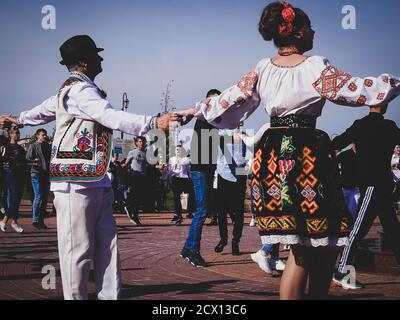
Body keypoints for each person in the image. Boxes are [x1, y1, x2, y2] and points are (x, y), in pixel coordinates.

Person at [177, 1, 400, 299]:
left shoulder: (262, 69)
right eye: (309, 27)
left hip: (273, 159)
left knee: (306, 247)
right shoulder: (315, 66)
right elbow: (358, 89)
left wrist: (193, 110)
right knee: (322, 244)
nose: (314, 32)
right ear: (297, 32)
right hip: (308, 157)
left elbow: (226, 102)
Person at [0, 35, 180, 300]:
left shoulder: (71, 91)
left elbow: (42, 111)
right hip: (77, 181)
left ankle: (109, 295)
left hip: (93, 178)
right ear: (84, 62)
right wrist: (153, 122)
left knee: (104, 243)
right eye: (97, 55)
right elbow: (110, 116)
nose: (101, 59)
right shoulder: (80, 91)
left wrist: (18, 119)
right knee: (80, 248)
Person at [332, 104, 400, 289]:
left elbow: (337, 143)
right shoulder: (390, 126)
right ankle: (340, 271)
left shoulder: (360, 125)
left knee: (389, 231)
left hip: (371, 185)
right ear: (384, 104)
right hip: (380, 185)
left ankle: (341, 270)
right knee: (362, 229)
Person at [179, 89, 220, 267]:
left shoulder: (215, 120)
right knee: (201, 212)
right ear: (207, 100)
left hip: (207, 169)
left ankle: (188, 248)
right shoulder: (203, 114)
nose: (215, 104)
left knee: (203, 210)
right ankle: (193, 251)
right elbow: (195, 110)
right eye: (213, 101)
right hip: (200, 169)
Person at [214, 128, 247, 255]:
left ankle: (236, 242)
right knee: (221, 211)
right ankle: (223, 239)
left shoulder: (243, 134)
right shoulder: (221, 132)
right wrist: (233, 139)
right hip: (224, 173)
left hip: (240, 174)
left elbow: (249, 152)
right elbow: (214, 139)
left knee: (239, 212)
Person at [0, 127, 26, 233]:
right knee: (14, 198)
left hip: (19, 174)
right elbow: (4, 160)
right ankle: (9, 221)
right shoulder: (6, 147)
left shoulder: (21, 148)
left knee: (17, 199)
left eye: (18, 133)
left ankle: (11, 222)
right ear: (10, 135)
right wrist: (12, 162)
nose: (17, 135)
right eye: (15, 133)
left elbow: (23, 161)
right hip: (9, 174)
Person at [26, 128, 51, 229]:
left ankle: (41, 220)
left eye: (45, 135)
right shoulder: (33, 146)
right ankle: (35, 220)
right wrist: (35, 161)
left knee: (45, 197)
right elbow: (27, 159)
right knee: (38, 195)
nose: (44, 136)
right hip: (36, 173)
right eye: (43, 135)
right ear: (37, 135)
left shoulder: (48, 146)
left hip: (45, 174)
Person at [123, 136, 148, 225]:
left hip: (142, 177)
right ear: (136, 143)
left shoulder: (145, 153)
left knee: (139, 197)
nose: (141, 143)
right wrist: (122, 168)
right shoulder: (132, 152)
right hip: (134, 176)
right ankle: (129, 207)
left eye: (143, 142)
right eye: (140, 141)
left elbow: (148, 165)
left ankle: (135, 215)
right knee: (133, 194)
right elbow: (126, 164)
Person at [168, 145, 195, 225]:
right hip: (175, 179)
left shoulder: (185, 159)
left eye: (179, 150)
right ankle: (178, 214)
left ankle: (189, 211)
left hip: (184, 178)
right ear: (174, 151)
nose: (178, 151)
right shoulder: (171, 159)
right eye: (176, 150)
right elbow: (170, 170)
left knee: (190, 195)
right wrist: (168, 177)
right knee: (176, 197)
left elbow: (188, 167)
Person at [337, 144, 360, 219]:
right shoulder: (343, 154)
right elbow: (334, 166)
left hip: (357, 188)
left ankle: (352, 228)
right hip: (344, 187)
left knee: (352, 209)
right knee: (342, 210)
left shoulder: (363, 155)